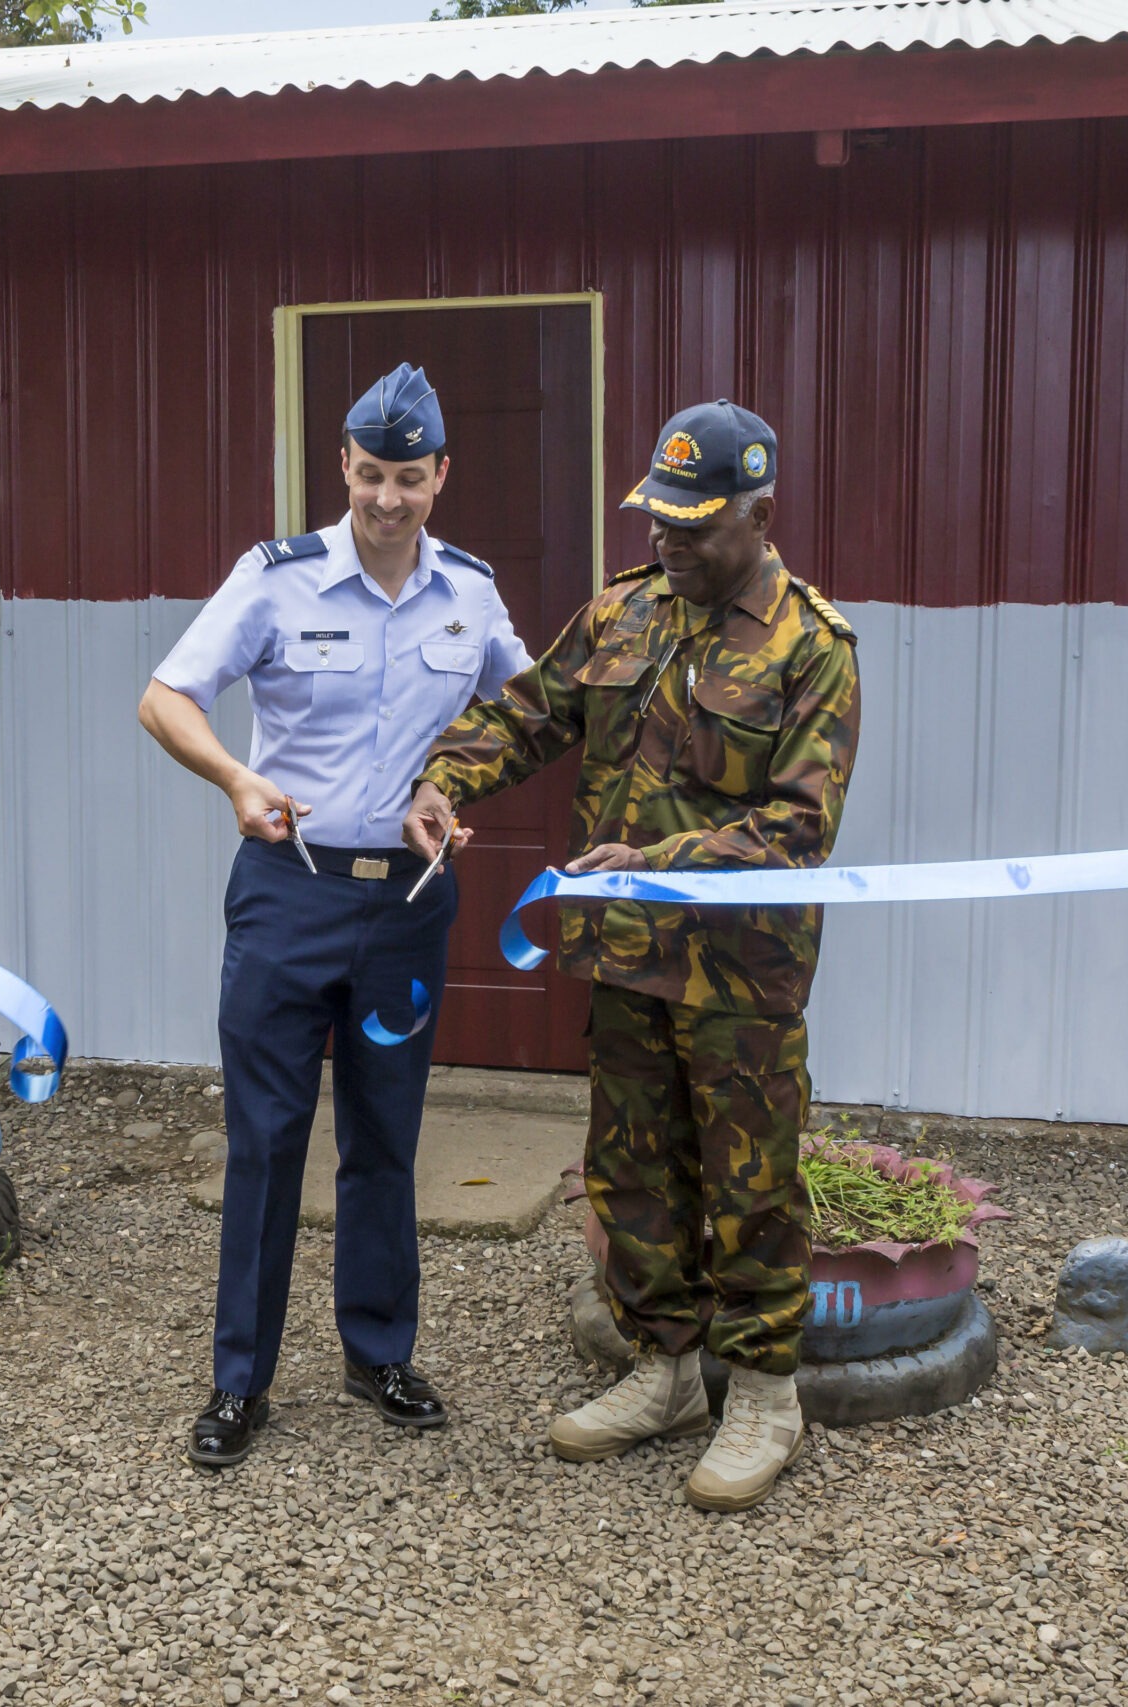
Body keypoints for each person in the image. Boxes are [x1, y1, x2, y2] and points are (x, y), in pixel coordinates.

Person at [404, 400, 859, 1512]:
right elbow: (526, 715)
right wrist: (442, 779)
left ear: (756, 512)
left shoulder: (813, 645)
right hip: (622, 961)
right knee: (630, 1166)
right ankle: (663, 1373)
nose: (668, 539)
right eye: (658, 517)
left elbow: (797, 830)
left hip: (738, 977)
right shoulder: (622, 612)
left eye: (694, 524)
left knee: (750, 1180)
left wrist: (653, 858)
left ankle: (761, 1395)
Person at [139, 363, 530, 1469]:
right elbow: (165, 697)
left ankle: (378, 1352)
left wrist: (455, 779)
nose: (388, 500)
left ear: (442, 474)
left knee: (384, 1139)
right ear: (342, 470)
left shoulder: (470, 591)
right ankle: (238, 1382)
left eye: (409, 478)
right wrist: (233, 778)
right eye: (370, 477)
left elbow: (526, 708)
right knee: (264, 1141)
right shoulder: (276, 581)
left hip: (404, 908)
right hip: (288, 895)